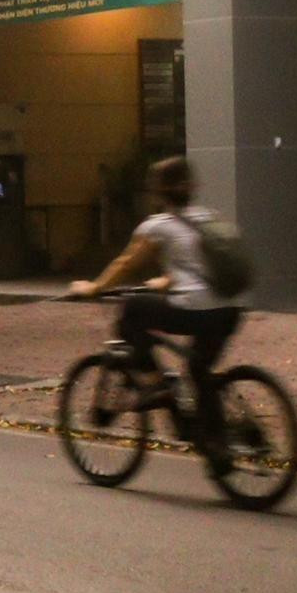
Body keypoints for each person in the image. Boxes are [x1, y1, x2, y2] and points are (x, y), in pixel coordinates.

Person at [71, 156, 244, 467]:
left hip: (195, 309)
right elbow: (199, 266)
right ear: (194, 187)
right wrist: (166, 281)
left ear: (157, 192)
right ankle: (217, 445)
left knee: (133, 311)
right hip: (230, 309)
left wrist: (93, 288)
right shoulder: (210, 218)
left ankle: (155, 384)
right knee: (199, 370)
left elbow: (126, 264)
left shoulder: (158, 226)